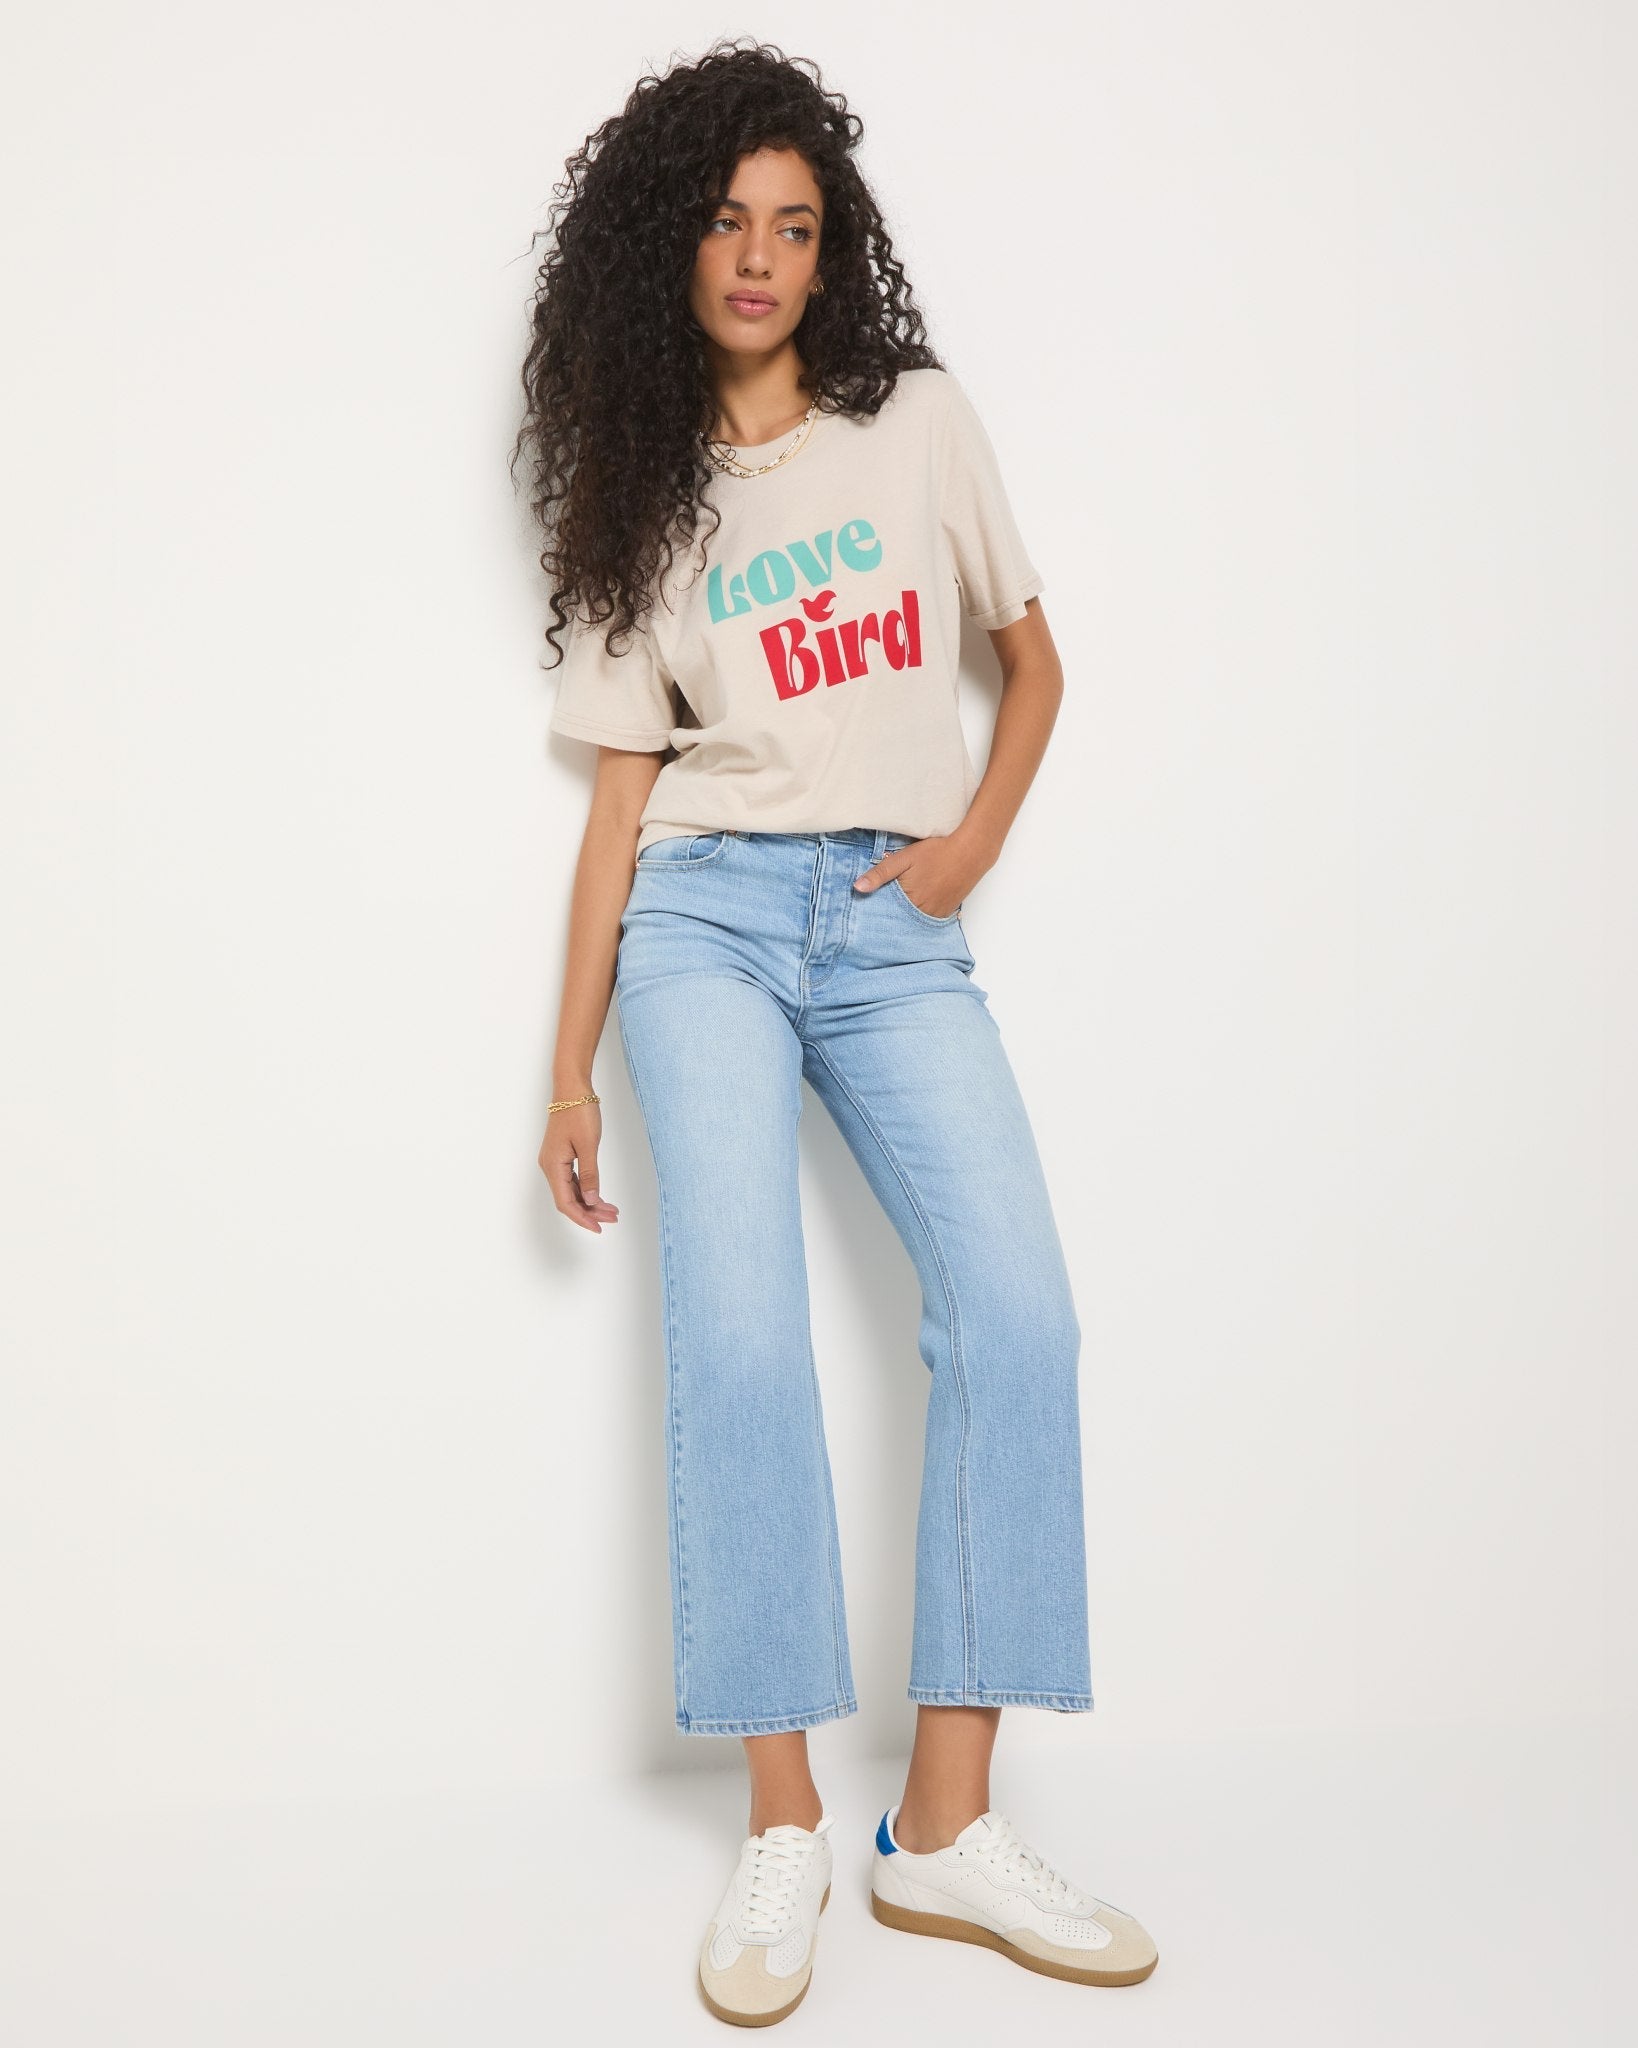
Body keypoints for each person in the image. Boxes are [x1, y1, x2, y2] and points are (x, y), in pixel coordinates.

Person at [517, 38, 1158, 2028]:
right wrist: (563, 1065)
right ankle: (784, 1817)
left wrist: (964, 851)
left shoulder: (918, 425)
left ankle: (942, 1827)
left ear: (831, 251)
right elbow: (623, 804)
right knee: (740, 1339)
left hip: (891, 928)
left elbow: (1031, 664)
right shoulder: (642, 491)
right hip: (702, 924)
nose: (758, 257)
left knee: (1018, 1315)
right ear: (671, 243)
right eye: (726, 221)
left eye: (794, 227)